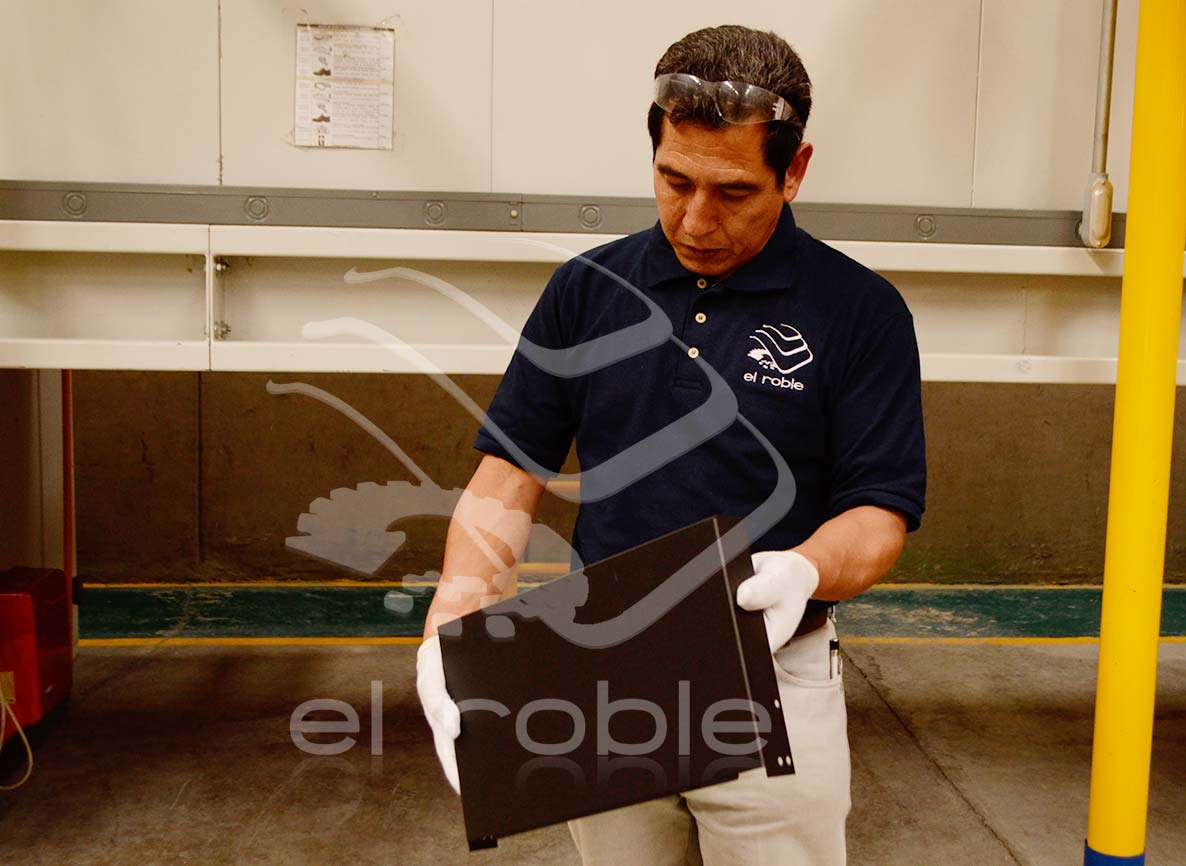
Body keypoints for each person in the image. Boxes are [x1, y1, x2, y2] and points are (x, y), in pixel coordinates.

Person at [416, 24, 926, 866]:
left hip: (771, 677)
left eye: (734, 192)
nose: (695, 219)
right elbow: (508, 476)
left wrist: (804, 570)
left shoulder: (859, 312)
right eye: (673, 180)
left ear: (794, 171)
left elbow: (880, 514)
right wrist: (452, 621)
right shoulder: (587, 291)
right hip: (603, 670)